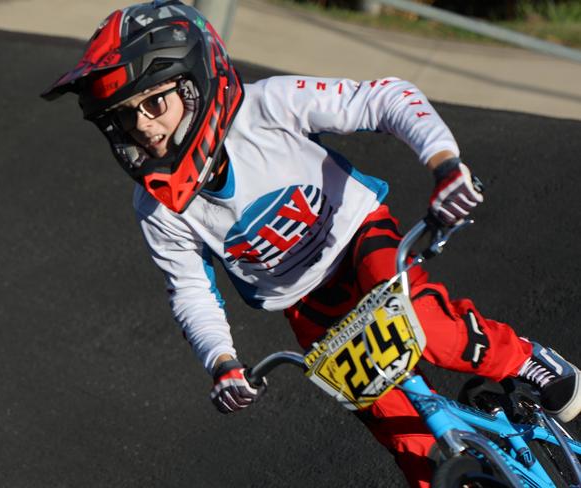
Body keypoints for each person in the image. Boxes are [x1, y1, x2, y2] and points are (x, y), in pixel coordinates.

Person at [41, 1, 581, 486]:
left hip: (359, 242)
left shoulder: (266, 107)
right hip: (307, 309)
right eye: (123, 117)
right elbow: (189, 291)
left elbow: (385, 99)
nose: (143, 129)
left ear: (192, 83)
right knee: (410, 445)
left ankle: (527, 361)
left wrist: (445, 166)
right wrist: (223, 362)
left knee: (426, 329)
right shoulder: (156, 207)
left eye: (154, 103)